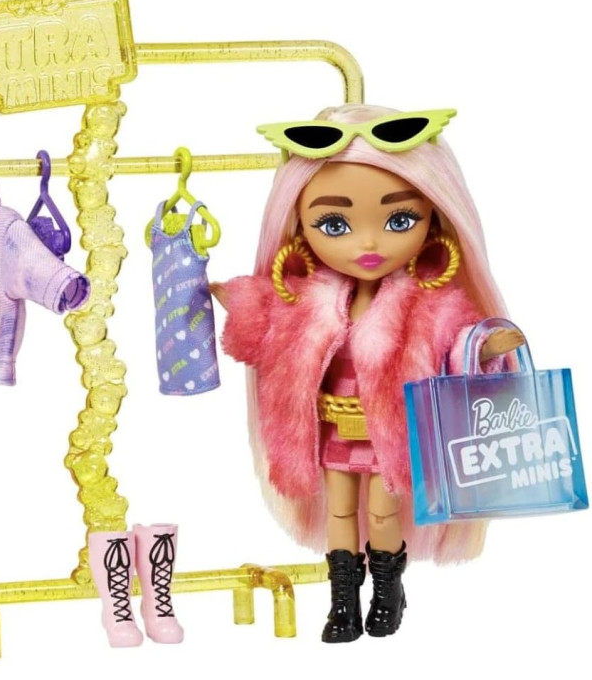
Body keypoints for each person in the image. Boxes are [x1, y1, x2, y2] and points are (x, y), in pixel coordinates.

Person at [210, 105, 521, 643]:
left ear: (435, 218)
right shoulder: (306, 298)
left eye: (400, 221)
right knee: (339, 513)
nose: (369, 244)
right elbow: (262, 333)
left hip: (390, 433)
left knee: (381, 514)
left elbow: (458, 351)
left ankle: (387, 592)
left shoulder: (429, 303)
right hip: (332, 429)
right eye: (335, 224)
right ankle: (342, 604)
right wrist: (229, 298)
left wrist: (486, 347)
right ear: (299, 223)